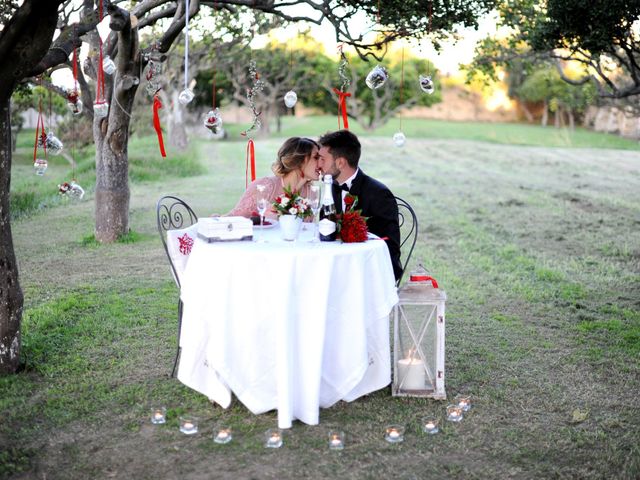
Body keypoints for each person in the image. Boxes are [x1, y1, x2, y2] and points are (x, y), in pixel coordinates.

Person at [317, 130, 402, 281]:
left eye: (323, 159)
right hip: (341, 264)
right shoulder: (332, 188)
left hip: (374, 270)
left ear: (340, 162)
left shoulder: (379, 194)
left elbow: (390, 247)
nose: (319, 164)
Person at [226, 137, 320, 220]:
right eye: (316, 157)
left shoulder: (311, 193)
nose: (320, 163)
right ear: (299, 161)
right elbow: (234, 219)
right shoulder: (265, 187)